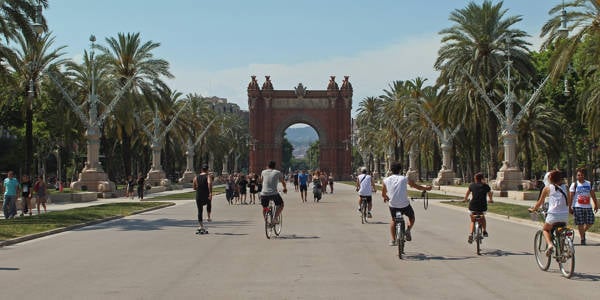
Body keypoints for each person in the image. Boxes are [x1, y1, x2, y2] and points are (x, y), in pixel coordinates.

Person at [382, 162, 431, 246]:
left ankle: (393, 240)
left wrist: (386, 198)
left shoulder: (386, 180)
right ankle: (408, 230)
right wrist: (426, 188)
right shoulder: (405, 178)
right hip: (405, 205)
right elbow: (415, 186)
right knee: (412, 218)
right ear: (400, 170)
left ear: (391, 170)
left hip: (393, 205)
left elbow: (383, 194)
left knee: (394, 220)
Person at [529, 170, 571, 256]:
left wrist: (533, 209)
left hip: (553, 216)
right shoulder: (566, 187)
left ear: (550, 179)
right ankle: (562, 250)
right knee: (562, 231)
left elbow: (539, 203)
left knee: (545, 229)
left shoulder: (547, 188)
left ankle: (550, 245)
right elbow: (569, 201)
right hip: (565, 216)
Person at [568, 168, 598, 245]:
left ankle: (582, 232)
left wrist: (596, 205)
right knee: (580, 223)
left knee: (591, 221)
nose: (580, 176)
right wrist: (570, 207)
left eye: (581, 175)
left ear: (584, 176)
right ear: (576, 176)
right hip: (577, 206)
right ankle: (582, 239)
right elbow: (571, 197)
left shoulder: (589, 183)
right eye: (578, 175)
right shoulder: (574, 184)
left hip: (588, 206)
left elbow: (593, 195)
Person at [463, 172, 493, 243]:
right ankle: (484, 231)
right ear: (482, 178)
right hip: (482, 206)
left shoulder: (472, 185)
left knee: (473, 220)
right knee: (483, 217)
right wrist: (491, 200)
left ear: (475, 179)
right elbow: (490, 194)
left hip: (473, 205)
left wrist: (465, 199)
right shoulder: (486, 186)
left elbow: (467, 193)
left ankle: (471, 234)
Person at [193, 164, 213, 234]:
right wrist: (210, 193)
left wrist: (198, 187)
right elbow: (209, 183)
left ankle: (201, 226)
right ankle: (208, 217)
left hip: (198, 195)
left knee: (199, 211)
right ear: (207, 170)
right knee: (209, 203)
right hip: (206, 195)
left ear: (201, 170)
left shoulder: (196, 177)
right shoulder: (208, 176)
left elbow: (194, 187)